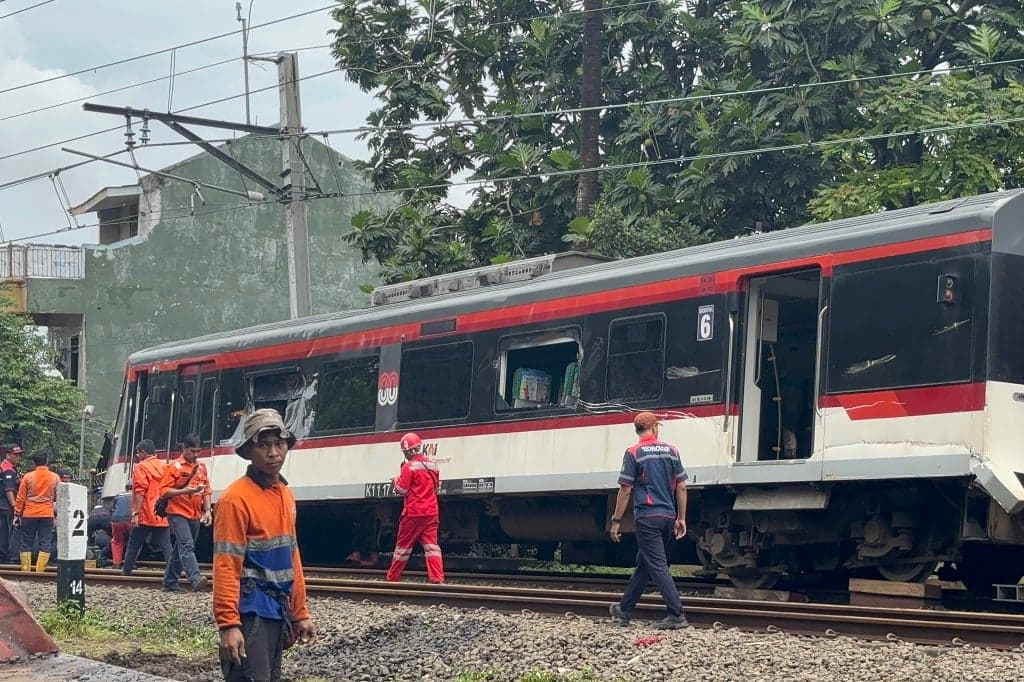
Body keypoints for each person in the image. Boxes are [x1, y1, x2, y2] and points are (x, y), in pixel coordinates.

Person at [213, 409, 314, 682]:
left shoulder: (284, 494)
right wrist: (229, 625)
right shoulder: (235, 500)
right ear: (248, 451)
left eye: (279, 444)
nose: (273, 453)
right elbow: (226, 565)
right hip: (251, 614)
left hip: (277, 611)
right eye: (263, 445)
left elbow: (292, 558)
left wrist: (300, 612)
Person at [608, 412, 689, 629]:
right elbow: (681, 486)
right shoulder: (672, 451)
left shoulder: (633, 452)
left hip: (647, 517)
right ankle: (624, 610)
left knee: (658, 565)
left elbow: (625, 490)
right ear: (654, 428)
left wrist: (616, 520)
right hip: (667, 517)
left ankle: (677, 614)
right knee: (645, 564)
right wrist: (681, 517)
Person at [385, 432, 444, 584]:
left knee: (402, 548)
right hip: (431, 511)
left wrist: (396, 481)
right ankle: (437, 578)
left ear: (408, 450)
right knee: (432, 546)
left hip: (413, 513)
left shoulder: (408, 467)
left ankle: (393, 578)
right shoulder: (433, 465)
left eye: (404, 451)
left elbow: (402, 490)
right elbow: (435, 486)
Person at [159, 433, 212, 592]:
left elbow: (206, 490)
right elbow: (163, 491)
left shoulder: (201, 468)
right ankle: (195, 578)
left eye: (198, 451)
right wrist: (184, 491)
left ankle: (169, 583)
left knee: (180, 548)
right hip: (177, 512)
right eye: (192, 451)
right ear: (184, 449)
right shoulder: (174, 467)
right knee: (187, 545)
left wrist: (207, 510)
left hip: (195, 513)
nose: (195, 455)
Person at [121, 439, 173, 576]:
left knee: (134, 543)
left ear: (143, 452)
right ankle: (172, 574)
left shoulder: (141, 467)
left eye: (138, 454)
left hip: (145, 513)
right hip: (161, 512)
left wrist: (136, 513)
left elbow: (140, 491)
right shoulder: (164, 466)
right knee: (167, 546)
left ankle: (126, 572)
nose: (138, 457)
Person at [13, 450, 60, 572]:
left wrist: (17, 514)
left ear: (34, 462)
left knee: (26, 542)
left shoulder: (28, 477)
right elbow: (60, 498)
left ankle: (26, 570)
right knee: (45, 542)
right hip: (47, 514)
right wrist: (58, 514)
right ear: (47, 461)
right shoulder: (55, 478)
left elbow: (20, 498)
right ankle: (40, 571)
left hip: (29, 514)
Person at [0, 444, 23, 563]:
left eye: (19, 455)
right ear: (8, 455)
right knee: (15, 530)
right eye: (16, 455)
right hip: (7, 505)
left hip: (2, 505)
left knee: (3, 531)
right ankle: (13, 557)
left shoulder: (3, 466)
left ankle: (2, 557)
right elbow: (9, 490)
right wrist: (15, 507)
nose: (18, 457)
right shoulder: (8, 469)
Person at [109, 484, 133, 568]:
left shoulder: (118, 495)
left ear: (126, 488)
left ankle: (116, 563)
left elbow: (112, 509)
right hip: (131, 519)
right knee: (134, 541)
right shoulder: (137, 495)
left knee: (117, 540)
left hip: (116, 520)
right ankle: (130, 563)